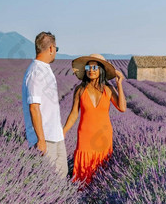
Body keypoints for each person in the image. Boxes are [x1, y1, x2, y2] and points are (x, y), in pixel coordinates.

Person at [63, 53, 126, 184]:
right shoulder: (80, 89)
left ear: (101, 70)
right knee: (84, 170)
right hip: (85, 135)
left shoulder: (108, 89)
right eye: (88, 68)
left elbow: (122, 108)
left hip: (103, 136)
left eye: (94, 68)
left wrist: (119, 84)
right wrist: (63, 132)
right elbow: (74, 113)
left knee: (102, 169)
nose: (91, 70)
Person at [22, 31, 68, 178]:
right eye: (56, 49)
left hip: (55, 135)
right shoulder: (35, 72)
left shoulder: (45, 69)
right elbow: (33, 107)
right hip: (45, 137)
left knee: (62, 176)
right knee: (49, 179)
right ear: (51, 48)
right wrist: (40, 140)